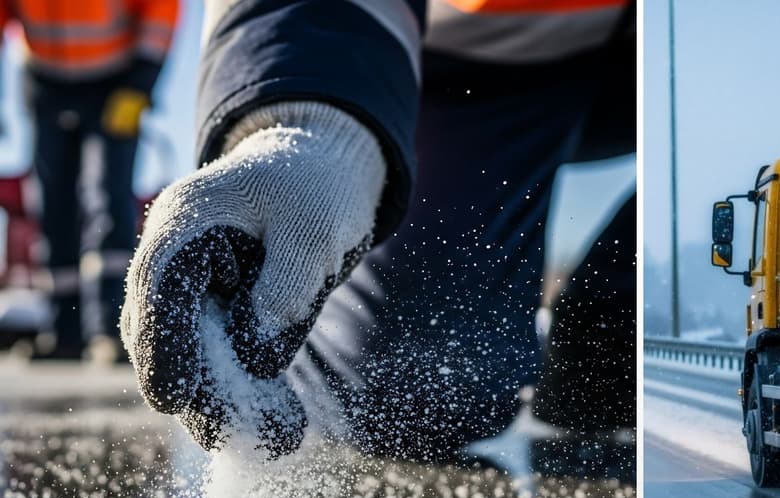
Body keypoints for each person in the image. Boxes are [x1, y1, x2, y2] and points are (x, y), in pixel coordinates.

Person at [121, 1, 636, 471]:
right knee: (420, 388)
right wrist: (311, 124)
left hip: (662, 58)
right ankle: (589, 341)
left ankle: (617, 307)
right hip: (465, 57)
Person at [0, 0, 179, 361]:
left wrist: (142, 81)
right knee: (52, 203)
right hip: (44, 79)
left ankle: (110, 330)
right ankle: (63, 331)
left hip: (115, 81)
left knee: (107, 198)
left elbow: (161, 10)